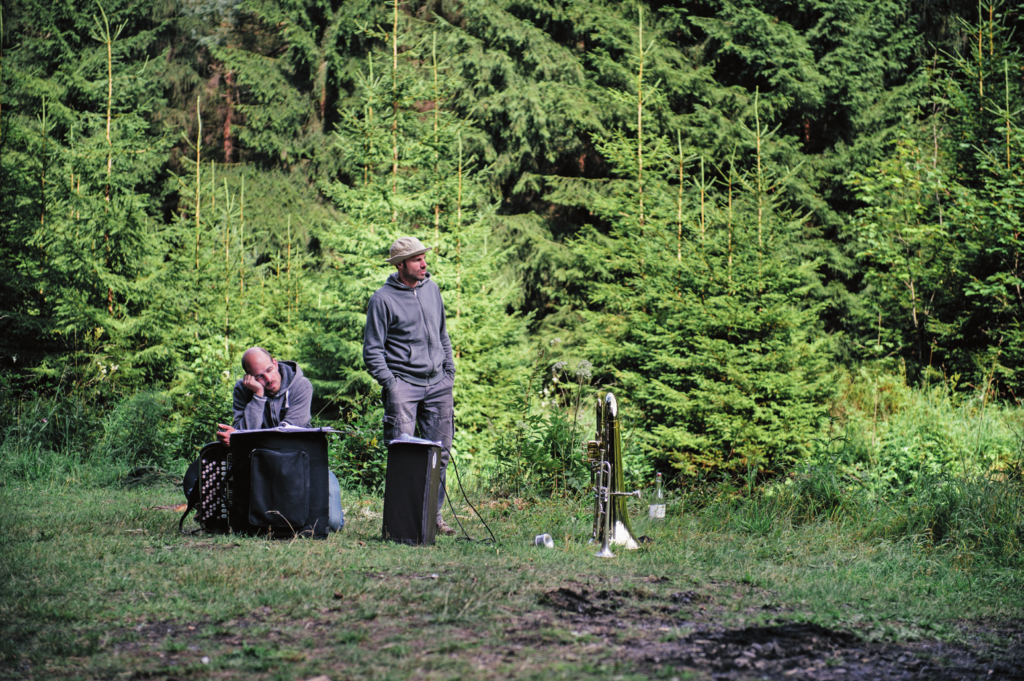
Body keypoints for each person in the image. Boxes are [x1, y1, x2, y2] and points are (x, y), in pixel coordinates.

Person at [363, 237, 457, 536]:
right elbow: (372, 350)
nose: (424, 264)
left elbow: (442, 334)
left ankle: (433, 519)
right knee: (403, 456)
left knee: (440, 455)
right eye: (417, 259)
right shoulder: (382, 299)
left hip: (439, 385)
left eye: (423, 258)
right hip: (404, 386)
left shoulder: (432, 289)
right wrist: (392, 385)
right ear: (400, 265)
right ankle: (400, 524)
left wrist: (449, 372)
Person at [216, 347, 343, 532]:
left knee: (333, 523)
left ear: (275, 363)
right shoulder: (242, 390)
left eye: (269, 370)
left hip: (300, 461)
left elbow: (287, 439)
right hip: (259, 465)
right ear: (249, 378)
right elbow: (243, 432)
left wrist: (240, 438)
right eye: (259, 376)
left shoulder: (301, 386)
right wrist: (258, 396)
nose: (268, 379)